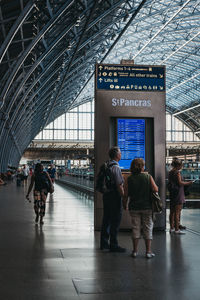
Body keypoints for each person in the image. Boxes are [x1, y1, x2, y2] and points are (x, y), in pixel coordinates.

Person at [124, 158, 158, 258]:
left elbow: (125, 194)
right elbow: (155, 189)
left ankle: (135, 251)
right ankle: (148, 252)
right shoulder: (148, 176)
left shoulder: (129, 178)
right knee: (148, 228)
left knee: (135, 228)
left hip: (134, 207)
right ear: (142, 167)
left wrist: (124, 204)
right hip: (147, 207)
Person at [100, 146, 125, 252]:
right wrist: (124, 196)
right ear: (117, 155)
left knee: (106, 219)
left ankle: (104, 244)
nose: (121, 154)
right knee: (115, 220)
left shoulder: (107, 165)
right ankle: (114, 245)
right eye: (120, 152)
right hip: (114, 196)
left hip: (106, 195)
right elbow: (119, 185)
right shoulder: (116, 167)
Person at [168, 158, 193, 234]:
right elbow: (180, 183)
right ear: (178, 165)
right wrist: (189, 183)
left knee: (172, 211)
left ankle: (172, 228)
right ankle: (177, 229)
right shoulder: (177, 172)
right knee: (177, 212)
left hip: (172, 193)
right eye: (181, 165)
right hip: (178, 193)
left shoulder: (170, 172)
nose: (182, 167)